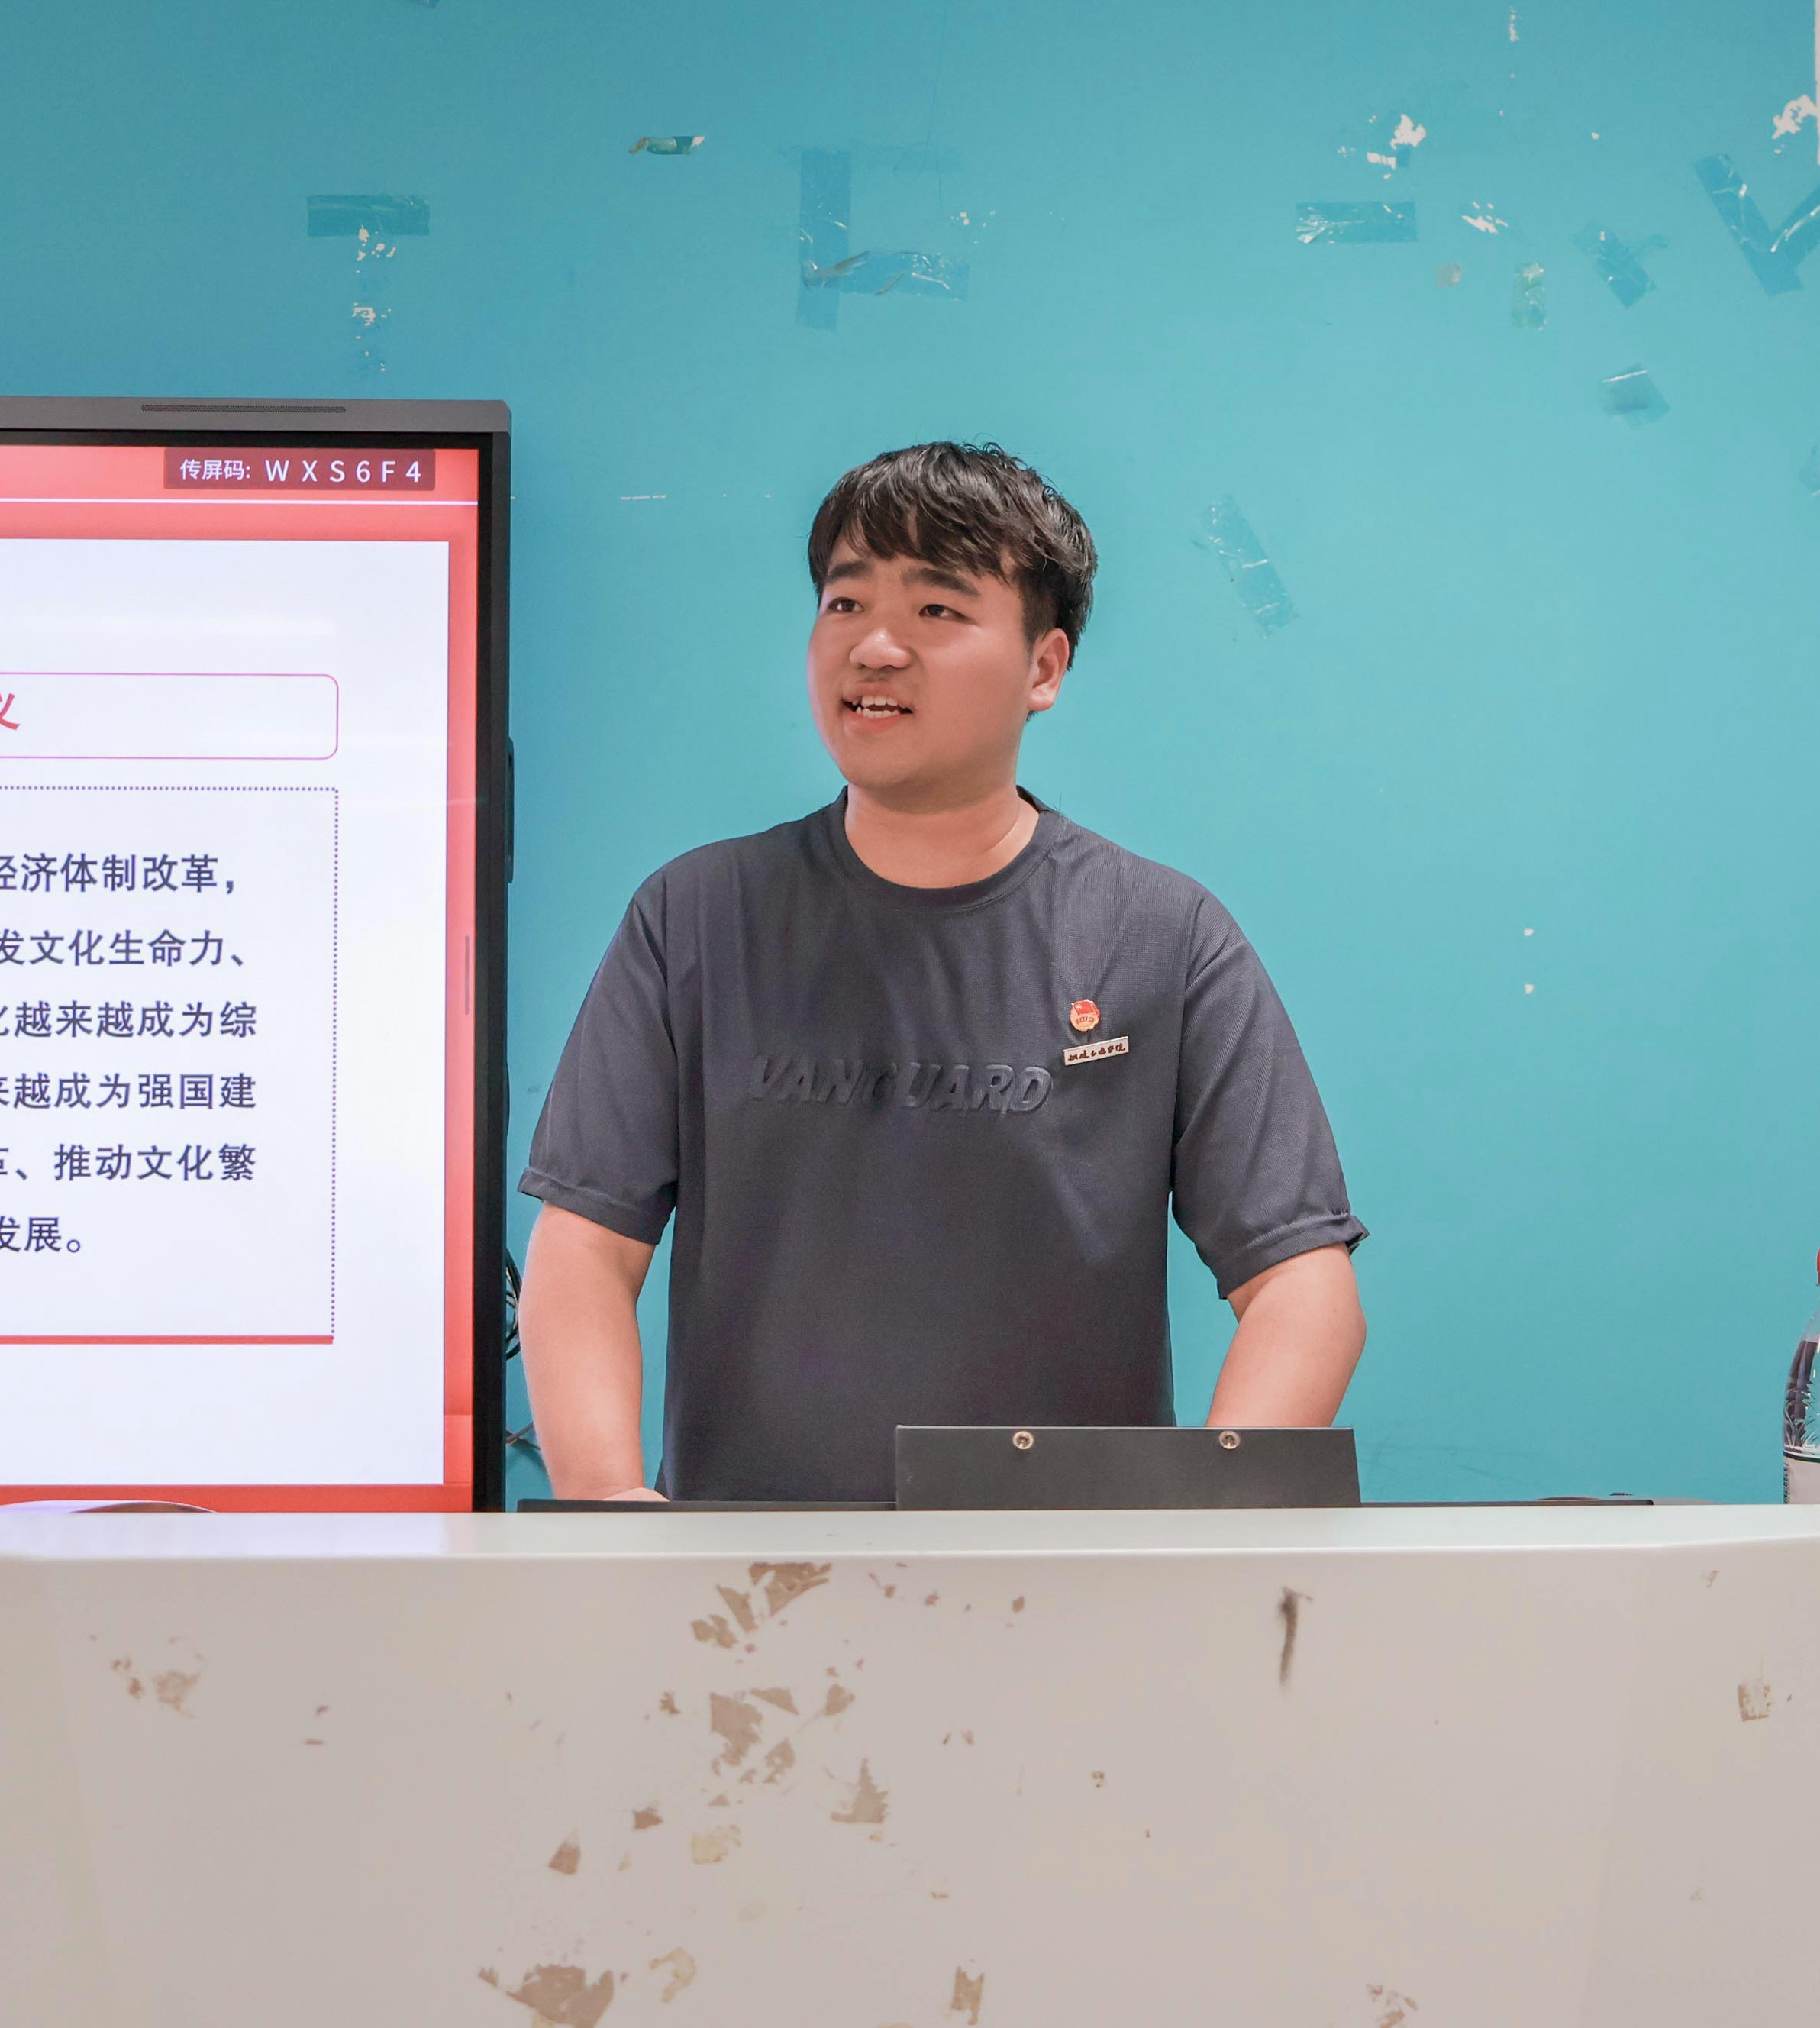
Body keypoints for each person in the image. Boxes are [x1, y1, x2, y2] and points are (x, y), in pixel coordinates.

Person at [515, 441, 1367, 1502]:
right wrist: (607, 1511)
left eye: (937, 610)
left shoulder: (1164, 936)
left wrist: (1201, 1526)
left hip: (1070, 1572)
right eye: (844, 603)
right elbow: (586, 1250)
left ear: (1044, 668)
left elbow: (1300, 1282)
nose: (875, 647)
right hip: (744, 1582)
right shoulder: (694, 918)